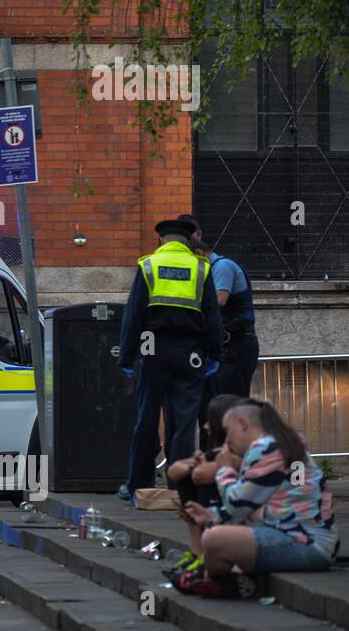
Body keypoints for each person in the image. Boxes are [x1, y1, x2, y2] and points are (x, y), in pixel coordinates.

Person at [174, 399, 339, 598]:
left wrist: (224, 469)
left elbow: (238, 505)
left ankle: (228, 581)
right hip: (301, 537)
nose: (226, 442)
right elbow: (249, 504)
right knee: (218, 532)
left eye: (228, 431)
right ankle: (222, 579)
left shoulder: (266, 447)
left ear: (243, 423)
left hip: (306, 544)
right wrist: (209, 514)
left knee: (214, 539)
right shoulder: (276, 443)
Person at [116, 218, 224, 500]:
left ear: (161, 240)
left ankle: (136, 486)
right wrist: (215, 354)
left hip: (152, 350)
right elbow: (213, 316)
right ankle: (181, 487)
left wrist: (126, 356)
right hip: (191, 353)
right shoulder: (202, 268)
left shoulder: (148, 266)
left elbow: (134, 316)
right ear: (188, 241)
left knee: (146, 419)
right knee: (185, 423)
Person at [178, 215, 260, 435]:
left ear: (199, 254)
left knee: (233, 408)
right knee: (217, 408)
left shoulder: (221, 266)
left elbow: (218, 302)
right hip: (224, 349)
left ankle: (241, 460)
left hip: (236, 347)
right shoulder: (210, 269)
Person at [164, 393, 243, 578]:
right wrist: (189, 465)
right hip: (226, 506)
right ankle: (197, 551)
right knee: (184, 477)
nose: (206, 426)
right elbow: (174, 471)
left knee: (197, 479)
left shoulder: (241, 451)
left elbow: (201, 475)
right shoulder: (216, 451)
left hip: (238, 510)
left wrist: (194, 468)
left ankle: (207, 553)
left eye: (210, 421)